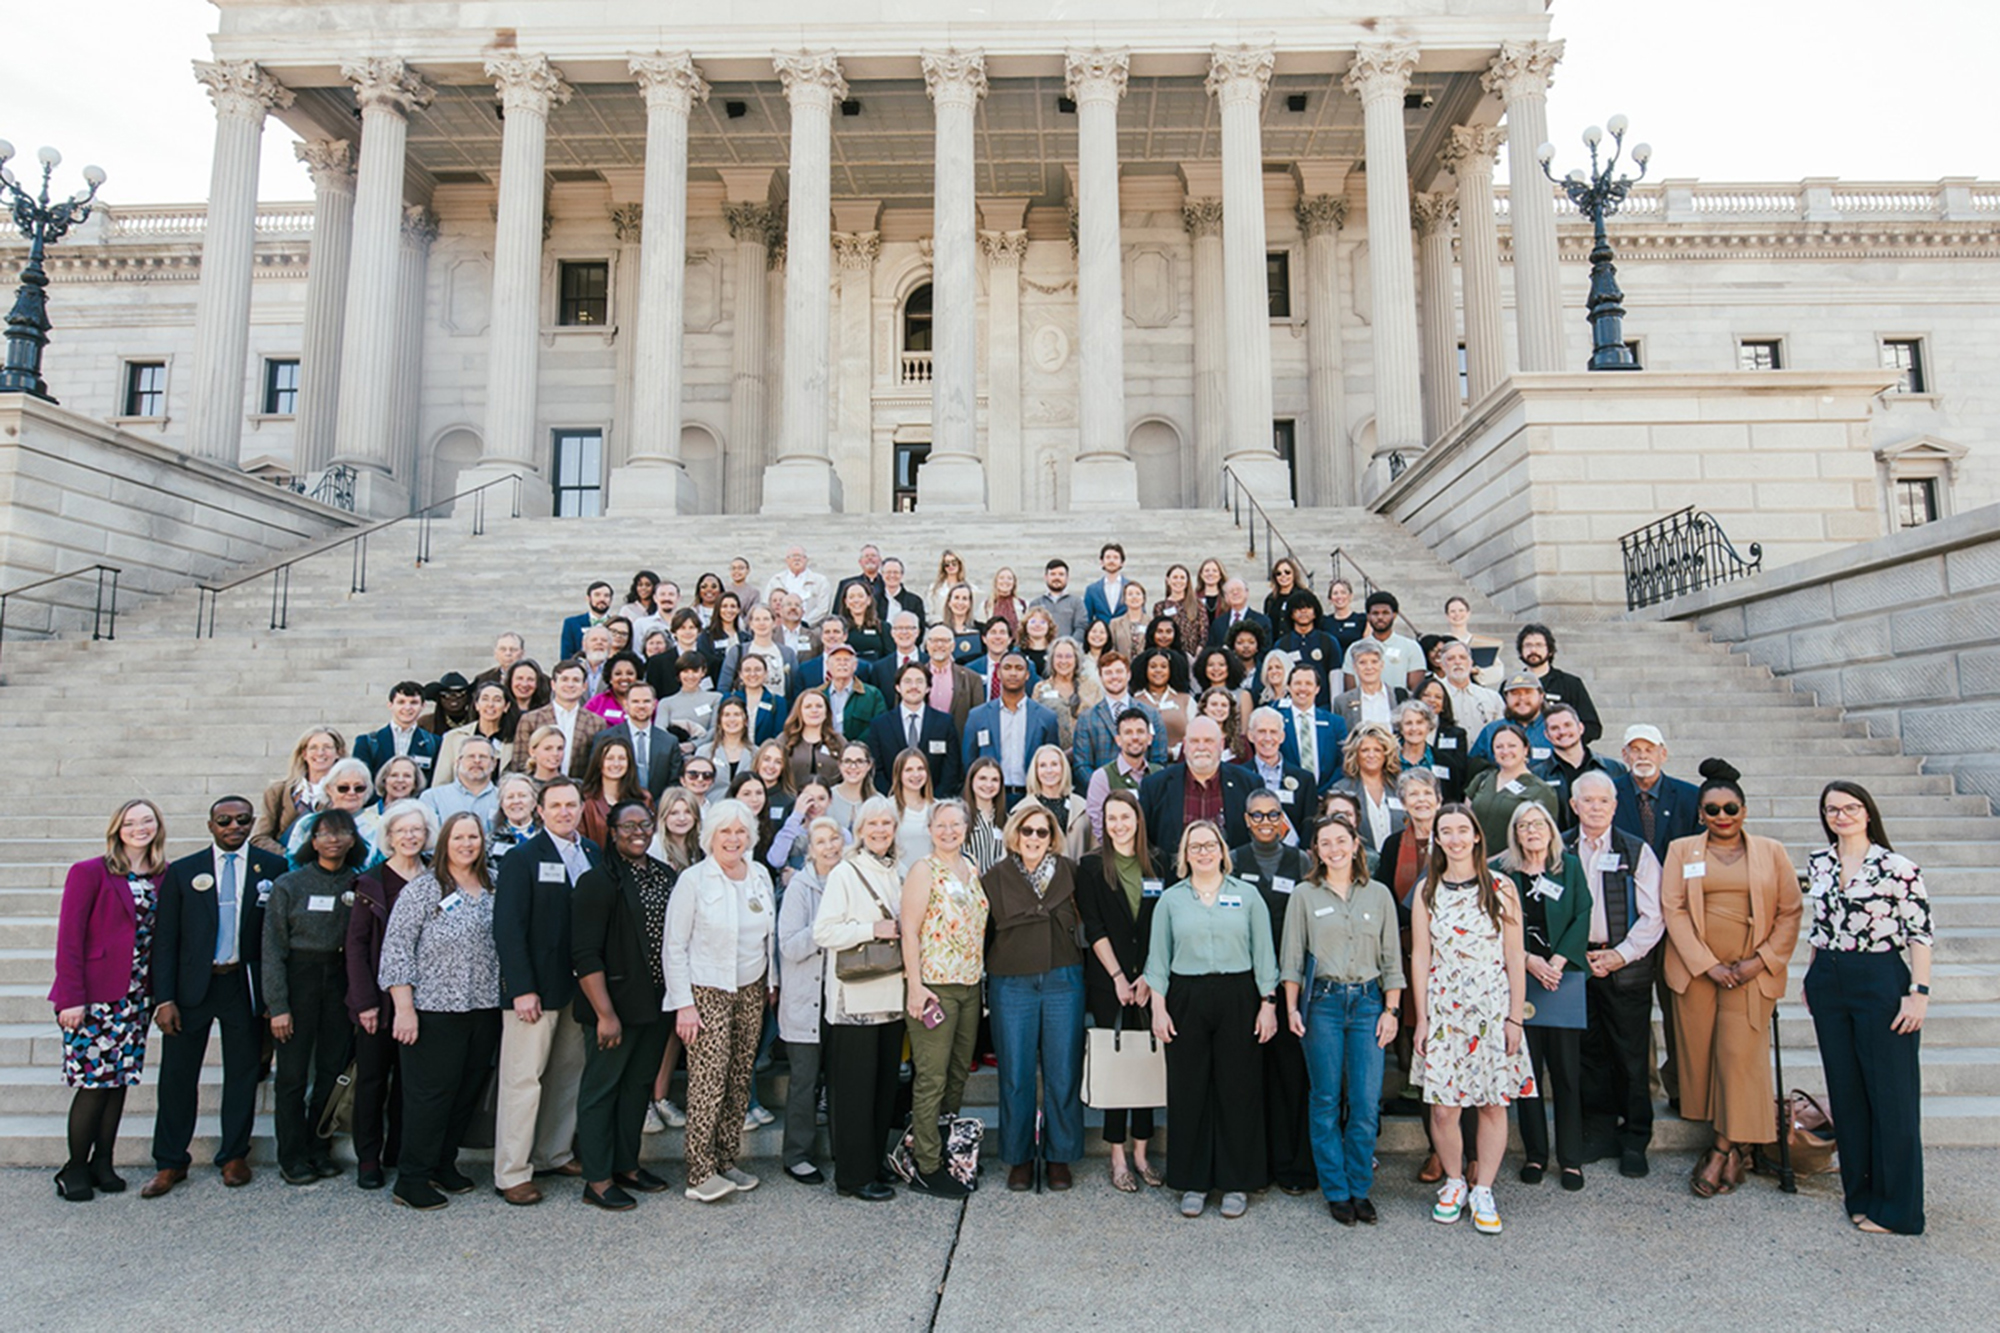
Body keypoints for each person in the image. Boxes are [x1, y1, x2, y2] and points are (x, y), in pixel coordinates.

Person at [1661, 759, 1802, 1200]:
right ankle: (1737, 1147)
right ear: (1700, 813)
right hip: (1699, 971)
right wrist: (1708, 964)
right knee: (1704, 1057)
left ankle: (1723, 1150)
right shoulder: (1682, 850)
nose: (1723, 817)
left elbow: (1790, 911)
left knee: (1738, 1057)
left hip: (1750, 973)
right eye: (1713, 810)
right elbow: (1674, 909)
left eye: (1730, 808)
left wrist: (1759, 962)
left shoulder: (1771, 851)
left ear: (1744, 810)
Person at [1806, 781, 1932, 1235]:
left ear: (1868, 811)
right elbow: (1819, 925)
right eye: (1832, 809)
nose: (1841, 816)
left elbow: (1920, 934)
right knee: (1847, 1093)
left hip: (1880, 979)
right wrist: (1812, 972)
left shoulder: (1897, 867)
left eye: (1850, 807)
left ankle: (1899, 1210)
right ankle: (1860, 1196)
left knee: (1892, 1096)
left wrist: (1918, 992)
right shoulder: (1819, 863)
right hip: (1828, 979)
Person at [144, 796, 287, 1198]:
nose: (234, 826)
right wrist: (164, 998)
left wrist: (273, 996)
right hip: (192, 987)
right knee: (177, 1077)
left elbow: (275, 937)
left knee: (242, 1072)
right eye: (224, 820)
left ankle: (233, 1155)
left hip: (241, 984)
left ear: (252, 822)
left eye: (242, 819)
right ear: (211, 825)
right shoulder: (183, 871)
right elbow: (166, 940)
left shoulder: (272, 869)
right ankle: (170, 1161)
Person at [1409, 803, 1533, 1235]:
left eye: (1464, 830)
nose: (1457, 838)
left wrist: (1515, 1018)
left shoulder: (1502, 887)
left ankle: (1484, 1188)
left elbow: (1514, 955)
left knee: (1491, 1105)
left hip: (1492, 1010)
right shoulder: (1427, 891)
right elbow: (1421, 955)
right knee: (1444, 1110)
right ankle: (1454, 1181)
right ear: (1437, 840)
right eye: (1448, 831)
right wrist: (1423, 1018)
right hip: (1446, 1011)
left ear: (1477, 836)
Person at [1146, 820, 1279, 1219]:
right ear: (1184, 855)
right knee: (1189, 1090)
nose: (1203, 852)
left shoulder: (1248, 896)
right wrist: (1158, 1006)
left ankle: (1237, 1181)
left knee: (1238, 1088)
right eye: (1194, 846)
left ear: (1223, 851)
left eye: (1210, 845)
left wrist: (1268, 1002)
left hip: (1239, 995)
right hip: (1186, 996)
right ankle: (1193, 1181)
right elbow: (1158, 959)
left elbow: (1264, 954)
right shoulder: (1171, 900)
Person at [378, 810, 505, 1211]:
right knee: (429, 1097)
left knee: (465, 1092)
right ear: (444, 842)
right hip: (433, 1009)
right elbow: (396, 949)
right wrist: (404, 1008)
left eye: (474, 837)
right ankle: (412, 1178)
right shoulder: (423, 889)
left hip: (482, 1006)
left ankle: (443, 1164)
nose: (467, 844)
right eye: (458, 838)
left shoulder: (493, 885)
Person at [1283, 815, 1404, 1226]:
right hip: (1324, 1005)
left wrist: (1392, 1010)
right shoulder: (1304, 894)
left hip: (1370, 1004)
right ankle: (1336, 1190)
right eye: (1324, 843)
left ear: (1356, 844)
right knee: (1325, 1100)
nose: (1334, 849)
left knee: (1367, 1103)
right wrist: (1291, 1008)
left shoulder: (1379, 894)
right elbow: (1292, 958)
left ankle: (1359, 1188)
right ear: (1316, 850)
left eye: (1341, 840)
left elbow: (1392, 959)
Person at [50, 800, 169, 1201]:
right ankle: (74, 1167)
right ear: (117, 829)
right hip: (94, 997)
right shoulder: (89, 873)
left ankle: (104, 1161)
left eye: (147, 821)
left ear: (158, 827)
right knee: (93, 1083)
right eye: (131, 823)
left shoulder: (161, 876)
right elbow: (69, 938)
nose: (140, 828)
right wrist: (71, 997)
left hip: (136, 997)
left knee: (118, 1082)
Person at [491, 777, 599, 1206]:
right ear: (540, 810)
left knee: (568, 1075)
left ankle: (553, 1152)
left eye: (571, 805)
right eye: (555, 806)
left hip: (579, 988)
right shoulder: (523, 857)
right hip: (534, 989)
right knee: (523, 1079)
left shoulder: (591, 853)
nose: (564, 812)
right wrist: (521, 988)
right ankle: (512, 1171)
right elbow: (508, 927)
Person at [664, 799, 778, 1203]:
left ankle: (727, 1159)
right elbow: (674, 947)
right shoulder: (694, 881)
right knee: (708, 1081)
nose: (733, 839)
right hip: (708, 990)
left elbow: (771, 936)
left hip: (751, 988)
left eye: (740, 831)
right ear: (709, 835)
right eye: (725, 831)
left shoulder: (760, 874)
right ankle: (699, 1172)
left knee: (738, 1077)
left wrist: (772, 983)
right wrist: (684, 1004)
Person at [568, 801, 676, 1210]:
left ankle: (627, 1165)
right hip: (613, 1007)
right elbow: (585, 953)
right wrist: (605, 1015)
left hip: (653, 1004)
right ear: (611, 833)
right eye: (627, 825)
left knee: (636, 1089)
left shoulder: (665, 875)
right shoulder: (597, 881)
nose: (637, 831)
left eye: (644, 824)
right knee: (601, 1090)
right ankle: (596, 1179)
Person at [984, 803, 1087, 1192]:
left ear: (1052, 837)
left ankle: (1060, 1156)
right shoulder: (995, 877)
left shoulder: (1070, 872)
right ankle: (1019, 1157)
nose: (1033, 839)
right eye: (1027, 831)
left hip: (1063, 978)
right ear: (1015, 833)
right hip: (1012, 982)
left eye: (1042, 832)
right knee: (1015, 1074)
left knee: (1063, 1072)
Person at [1568, 769, 1664, 1179]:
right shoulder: (1561, 848)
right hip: (1578, 967)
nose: (1594, 807)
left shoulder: (1636, 850)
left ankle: (1635, 1137)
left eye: (1602, 801)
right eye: (1586, 801)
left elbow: (1653, 914)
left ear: (1614, 805)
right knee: (1589, 1054)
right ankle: (1601, 1131)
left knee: (1630, 1054)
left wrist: (1621, 955)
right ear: (1574, 806)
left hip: (1625, 966)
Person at [813, 797, 910, 1200]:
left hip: (892, 998)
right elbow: (824, 932)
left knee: (882, 1091)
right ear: (859, 828)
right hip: (855, 1001)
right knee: (854, 1093)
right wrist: (874, 928)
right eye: (873, 823)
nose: (881, 830)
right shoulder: (845, 873)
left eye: (887, 823)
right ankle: (852, 1176)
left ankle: (873, 1164)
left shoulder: (900, 870)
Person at [1492, 801, 1592, 1192]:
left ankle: (1571, 1159)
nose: (1531, 831)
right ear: (1514, 834)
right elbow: (1495, 923)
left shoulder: (1569, 867)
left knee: (1566, 1074)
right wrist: (1530, 961)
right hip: (1519, 978)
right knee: (1527, 1073)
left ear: (1551, 830)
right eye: (1523, 826)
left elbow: (1583, 912)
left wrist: (1558, 961)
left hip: (1560, 979)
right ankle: (1536, 1153)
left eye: (1538, 824)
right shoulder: (1502, 872)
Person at [264, 806, 364, 1185]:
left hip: (340, 980)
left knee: (332, 1073)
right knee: (291, 1077)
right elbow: (272, 948)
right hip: (298, 979)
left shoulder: (358, 884)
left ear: (354, 839)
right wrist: (278, 1006)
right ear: (312, 840)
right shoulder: (290, 884)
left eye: (341, 833)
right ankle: (291, 1155)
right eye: (324, 833)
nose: (333, 840)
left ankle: (318, 1148)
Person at [1075, 790, 1164, 1191]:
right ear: (1103, 823)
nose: (1119, 825)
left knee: (1145, 1065)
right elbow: (1093, 925)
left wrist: (1148, 975)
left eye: (1125, 817)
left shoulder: (1159, 863)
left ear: (1137, 819)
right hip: (1109, 980)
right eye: (1111, 819)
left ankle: (1142, 1152)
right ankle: (1117, 1156)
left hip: (1150, 980)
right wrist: (1117, 977)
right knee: (1116, 1065)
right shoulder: (1091, 867)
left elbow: (1163, 925)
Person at [899, 800, 988, 1198]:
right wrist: (915, 986)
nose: (948, 830)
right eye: (941, 824)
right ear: (930, 828)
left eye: (955, 824)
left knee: (956, 1074)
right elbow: (909, 931)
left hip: (970, 987)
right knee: (932, 1077)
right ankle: (925, 1164)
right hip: (935, 987)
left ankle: (949, 1150)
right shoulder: (924, 870)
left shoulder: (971, 868)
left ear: (966, 828)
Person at [344, 800, 434, 1192]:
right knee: (373, 1080)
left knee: (412, 1082)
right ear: (389, 837)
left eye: (416, 830)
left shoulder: (437, 876)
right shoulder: (371, 883)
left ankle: (400, 1149)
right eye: (402, 831)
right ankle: (368, 1157)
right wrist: (363, 1001)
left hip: (428, 999)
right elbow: (357, 946)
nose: (410, 837)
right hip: (379, 1003)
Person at [1230, 789, 1315, 1196]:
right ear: (1246, 820)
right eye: (1257, 815)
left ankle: (1293, 1165)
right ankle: (1255, 1165)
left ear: (1284, 819)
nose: (1265, 822)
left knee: (1291, 1077)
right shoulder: (1232, 860)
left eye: (1273, 815)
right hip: (1244, 985)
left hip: (1288, 985)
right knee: (1249, 1078)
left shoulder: (1301, 862)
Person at [775, 816, 843, 1186]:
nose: (829, 847)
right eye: (821, 842)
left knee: (839, 1079)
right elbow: (789, 946)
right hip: (806, 1000)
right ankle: (797, 1155)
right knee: (804, 1081)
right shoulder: (800, 887)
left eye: (834, 839)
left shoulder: (847, 879)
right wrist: (826, 929)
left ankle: (841, 1149)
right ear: (809, 849)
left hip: (841, 999)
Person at [1140, 716, 1256, 860]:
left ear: (1221, 745)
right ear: (1185, 745)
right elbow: (1145, 841)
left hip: (1230, 877)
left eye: (1208, 741)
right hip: (1175, 877)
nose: (1201, 747)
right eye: (1194, 741)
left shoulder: (1249, 784)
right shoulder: (1155, 786)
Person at [868, 662, 961, 797]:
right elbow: (876, 769)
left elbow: (952, 768)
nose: (913, 687)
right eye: (907, 681)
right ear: (897, 687)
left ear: (928, 687)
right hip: (892, 803)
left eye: (919, 682)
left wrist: (934, 800)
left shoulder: (944, 723)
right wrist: (893, 798)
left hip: (934, 804)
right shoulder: (880, 725)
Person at [1534, 703, 1628, 833]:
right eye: (1555, 728)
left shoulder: (1614, 769)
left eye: (1568, 725)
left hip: (1605, 847)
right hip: (1558, 849)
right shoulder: (1537, 776)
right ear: (1547, 735)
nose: (1562, 732)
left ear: (1581, 728)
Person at [1465, 722, 1559, 849]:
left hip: (1513, 863)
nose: (1505, 751)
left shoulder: (1542, 790)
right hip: (1475, 860)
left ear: (1525, 749)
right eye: (1499, 747)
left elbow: (1547, 837)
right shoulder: (1482, 779)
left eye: (1512, 746)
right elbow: (1465, 818)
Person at [254, 727, 345, 855]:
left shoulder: (347, 792)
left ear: (338, 753)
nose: (320, 753)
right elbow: (259, 838)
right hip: (284, 867)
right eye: (313, 747)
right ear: (304, 754)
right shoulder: (278, 791)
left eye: (327, 747)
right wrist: (288, 857)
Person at [510, 659, 604, 780]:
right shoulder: (530, 719)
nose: (570, 685)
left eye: (576, 680)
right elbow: (519, 763)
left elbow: (596, 766)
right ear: (553, 685)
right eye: (564, 679)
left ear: (584, 686)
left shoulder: (596, 723)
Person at [594, 681, 685, 803]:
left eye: (646, 701)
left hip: (658, 809)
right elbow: (596, 777)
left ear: (654, 704)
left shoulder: (669, 741)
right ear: (626, 704)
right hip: (615, 807)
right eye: (635, 701)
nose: (641, 706)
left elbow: (674, 783)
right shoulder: (605, 738)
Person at [1516, 623, 1602, 746]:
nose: (1533, 650)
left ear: (1550, 651)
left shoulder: (1570, 684)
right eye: (1528, 645)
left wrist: (1567, 743)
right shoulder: (1511, 686)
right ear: (1521, 651)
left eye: (1539, 645)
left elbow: (1592, 727)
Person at [1237, 707, 1314, 843]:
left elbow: (1308, 824)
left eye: (1273, 732)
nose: (1268, 738)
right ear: (1250, 736)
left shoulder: (1304, 779)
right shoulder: (1238, 776)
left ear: (1282, 737)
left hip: (1293, 858)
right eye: (1261, 731)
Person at [1328, 722, 1405, 853]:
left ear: (1386, 754)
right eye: (1365, 750)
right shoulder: (1341, 790)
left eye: (1377, 750)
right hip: (1361, 863)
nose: (1371, 755)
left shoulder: (1401, 786)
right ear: (1355, 754)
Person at [354, 680, 442, 790]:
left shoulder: (435, 743)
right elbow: (360, 781)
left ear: (423, 706)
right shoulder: (367, 742)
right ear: (390, 705)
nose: (407, 707)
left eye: (414, 702)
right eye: (401, 702)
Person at [1279, 662, 1347, 798]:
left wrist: (1324, 792)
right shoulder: (1277, 721)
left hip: (1326, 796)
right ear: (1289, 687)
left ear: (1317, 689)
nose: (1303, 688)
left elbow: (1343, 762)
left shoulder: (1335, 723)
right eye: (1297, 683)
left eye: (1308, 683)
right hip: (1289, 797)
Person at [1343, 592, 1426, 693]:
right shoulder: (1354, 648)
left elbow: (1416, 691)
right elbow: (1350, 691)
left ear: (1394, 615)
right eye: (1375, 613)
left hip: (1400, 706)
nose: (1380, 617)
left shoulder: (1411, 647)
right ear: (1368, 616)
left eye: (1385, 613)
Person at [579, 737, 650, 847]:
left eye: (622, 758)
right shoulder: (585, 799)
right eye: (610, 758)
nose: (616, 764)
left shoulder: (644, 798)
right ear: (599, 762)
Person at [439, 680, 517, 776]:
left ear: (506, 706)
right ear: (476, 705)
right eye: (485, 699)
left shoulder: (515, 739)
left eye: (497, 700)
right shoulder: (454, 737)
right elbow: (442, 779)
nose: (490, 704)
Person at [1331, 640, 1409, 733]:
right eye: (1362, 662)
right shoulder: (1342, 702)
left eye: (1374, 662)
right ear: (1355, 667)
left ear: (1382, 665)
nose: (1369, 667)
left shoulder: (1400, 696)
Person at [421, 739, 501, 829]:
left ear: (494, 763)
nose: (477, 761)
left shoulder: (504, 799)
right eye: (471, 756)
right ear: (458, 761)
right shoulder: (433, 798)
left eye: (483, 757)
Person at [779, 688, 843, 792]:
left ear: (826, 712)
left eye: (819, 706)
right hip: (791, 802)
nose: (814, 710)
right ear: (799, 712)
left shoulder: (838, 741)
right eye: (808, 707)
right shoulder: (785, 739)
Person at [1438, 641, 1503, 734]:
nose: (1457, 662)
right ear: (1442, 666)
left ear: (1471, 663)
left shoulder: (1492, 697)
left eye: (1462, 658)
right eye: (1451, 659)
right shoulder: (1434, 697)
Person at [699, 698, 758, 790]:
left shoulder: (756, 753)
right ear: (719, 722)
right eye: (726, 715)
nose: (732, 720)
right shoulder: (704, 752)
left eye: (737, 714)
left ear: (745, 721)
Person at [765, 544, 833, 623]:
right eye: (793, 556)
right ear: (786, 560)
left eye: (800, 556)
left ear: (806, 560)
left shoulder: (820, 581)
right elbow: (766, 605)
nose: (797, 559)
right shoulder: (776, 580)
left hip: (811, 629)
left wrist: (804, 623)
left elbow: (823, 609)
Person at [1203, 577, 1271, 650]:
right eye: (1231, 591)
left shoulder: (1262, 621)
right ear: (1226, 596)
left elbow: (1265, 649)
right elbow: (1211, 648)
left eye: (1239, 590)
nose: (1235, 593)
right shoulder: (1218, 623)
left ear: (1247, 593)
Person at [1031, 557, 1087, 641]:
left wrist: (1069, 646)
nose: (1057, 577)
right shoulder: (1036, 603)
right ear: (1046, 577)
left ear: (1067, 578)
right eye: (1053, 574)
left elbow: (1081, 627)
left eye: (1061, 574)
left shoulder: (1076, 602)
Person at [584, 651, 645, 728]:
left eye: (630, 673)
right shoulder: (597, 702)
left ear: (637, 677)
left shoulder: (649, 702)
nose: (624, 677)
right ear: (610, 678)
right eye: (618, 674)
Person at [489, 774, 542, 861]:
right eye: (510, 797)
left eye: (522, 796)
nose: (516, 801)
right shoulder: (492, 840)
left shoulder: (547, 836)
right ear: (502, 804)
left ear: (534, 802)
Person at [560, 581, 615, 662]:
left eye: (606, 596)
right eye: (597, 595)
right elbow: (566, 656)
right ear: (588, 598)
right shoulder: (571, 623)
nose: (602, 599)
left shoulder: (616, 625)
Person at [833, 542, 888, 622]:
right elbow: (837, 612)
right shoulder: (846, 584)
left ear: (880, 561)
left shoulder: (888, 584)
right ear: (860, 562)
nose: (870, 558)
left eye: (873, 556)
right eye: (866, 556)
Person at [927, 549, 981, 623]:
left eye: (954, 563)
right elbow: (930, 613)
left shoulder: (972, 589)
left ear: (959, 564)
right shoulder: (934, 589)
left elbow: (975, 613)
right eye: (946, 564)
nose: (950, 566)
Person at [1083, 541, 1129, 625]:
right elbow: (1087, 618)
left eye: (1115, 558)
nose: (1111, 561)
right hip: (1101, 635)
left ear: (1122, 562)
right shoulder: (1092, 590)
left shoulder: (1130, 587)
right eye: (1108, 557)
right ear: (1102, 562)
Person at [1108, 581, 1153, 659]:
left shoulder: (1151, 622)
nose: (1134, 597)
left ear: (1143, 599)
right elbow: (1111, 647)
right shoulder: (1115, 623)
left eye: (1138, 594)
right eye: (1130, 594)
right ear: (1124, 600)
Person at [880, 556, 927, 628]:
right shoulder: (874, 600)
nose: (892, 575)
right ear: (882, 575)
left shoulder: (915, 601)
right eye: (888, 572)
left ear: (902, 575)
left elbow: (920, 628)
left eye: (896, 572)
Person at [1263, 557, 1306, 630]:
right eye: (1278, 573)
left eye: (1287, 572)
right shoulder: (1270, 599)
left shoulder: (1304, 596)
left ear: (1294, 574)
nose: (1283, 575)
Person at [987, 565, 1027, 634]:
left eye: (1009, 578)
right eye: (1001, 578)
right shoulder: (986, 605)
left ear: (1014, 583)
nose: (1005, 581)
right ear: (996, 582)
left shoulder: (1023, 604)